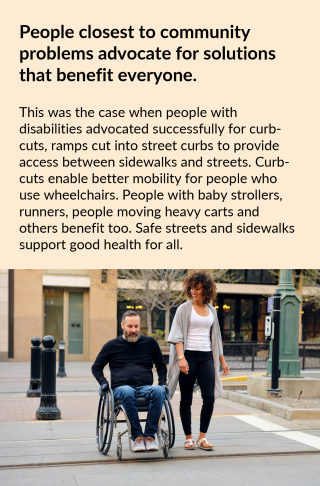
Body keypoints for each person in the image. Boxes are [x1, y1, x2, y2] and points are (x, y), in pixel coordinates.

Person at [167, 271, 229, 451]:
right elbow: (177, 335)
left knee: (209, 397)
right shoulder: (183, 309)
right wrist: (181, 358)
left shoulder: (211, 310)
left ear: (206, 289)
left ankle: (202, 437)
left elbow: (216, 337)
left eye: (198, 288)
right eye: (191, 288)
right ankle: (188, 437)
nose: (193, 291)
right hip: (188, 355)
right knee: (186, 399)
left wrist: (222, 361)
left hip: (207, 357)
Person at [92, 310, 169, 452]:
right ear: (122, 325)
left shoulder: (150, 343)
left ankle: (150, 437)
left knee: (159, 391)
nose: (133, 330)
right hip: (122, 388)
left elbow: (161, 365)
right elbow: (96, 367)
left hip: (145, 387)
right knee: (127, 391)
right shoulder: (111, 345)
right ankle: (138, 438)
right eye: (130, 326)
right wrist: (103, 383)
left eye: (136, 326)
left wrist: (163, 383)